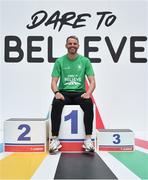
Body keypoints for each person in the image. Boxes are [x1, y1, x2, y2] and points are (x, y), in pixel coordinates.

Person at [49, 35, 96, 153]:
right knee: (56, 103)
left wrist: (88, 93)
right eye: (70, 44)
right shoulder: (60, 61)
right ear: (66, 46)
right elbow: (54, 82)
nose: (72, 46)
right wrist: (56, 92)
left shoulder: (85, 61)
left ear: (78, 46)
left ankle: (88, 140)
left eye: (74, 44)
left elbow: (92, 81)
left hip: (79, 93)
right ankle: (55, 139)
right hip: (64, 93)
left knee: (89, 104)